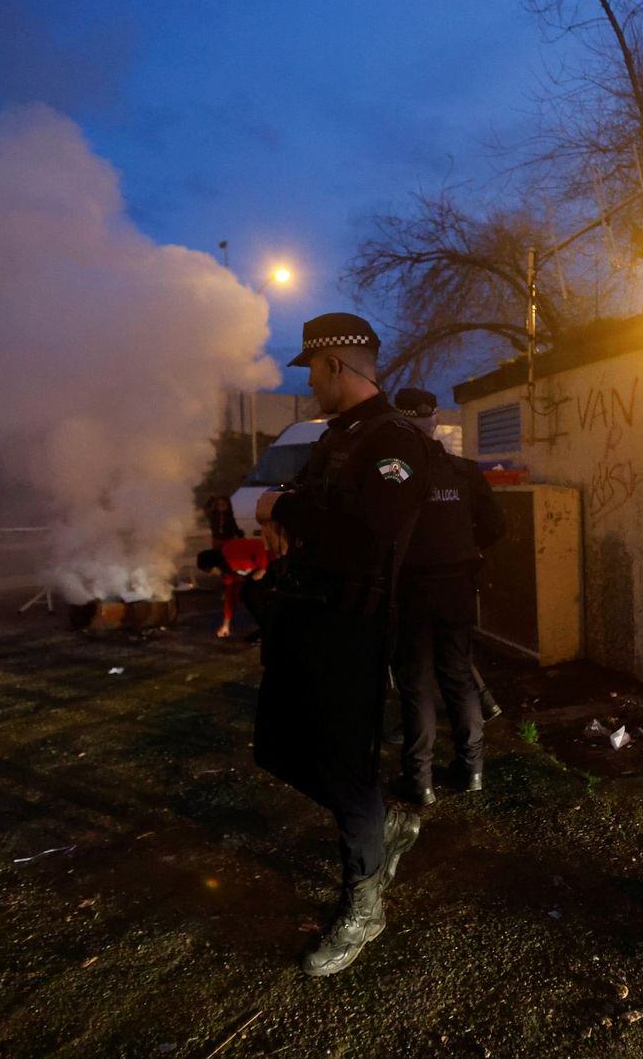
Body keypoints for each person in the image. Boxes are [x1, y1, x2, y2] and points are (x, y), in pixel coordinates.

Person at [250, 312, 429, 977]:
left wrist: (284, 512)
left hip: (351, 632)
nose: (311, 386)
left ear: (335, 367)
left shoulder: (396, 441)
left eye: (314, 373)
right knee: (274, 747)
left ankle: (364, 906)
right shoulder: (340, 439)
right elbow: (319, 510)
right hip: (304, 620)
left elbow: (368, 537)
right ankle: (383, 828)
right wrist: (286, 509)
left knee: (346, 774)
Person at [387, 387, 506, 806]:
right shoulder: (464, 471)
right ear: (434, 419)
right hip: (456, 587)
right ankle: (471, 770)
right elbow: (495, 527)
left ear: (399, 422)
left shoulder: (393, 473)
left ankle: (419, 780)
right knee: (458, 676)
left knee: (416, 684)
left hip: (410, 590)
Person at [195, 535, 269, 641]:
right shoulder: (228, 573)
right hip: (260, 575)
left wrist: (263, 567)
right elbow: (231, 596)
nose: (212, 574)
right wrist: (226, 624)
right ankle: (266, 627)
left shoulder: (230, 550)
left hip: (271, 564)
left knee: (251, 592)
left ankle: (270, 628)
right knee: (245, 594)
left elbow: (259, 544)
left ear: (214, 565)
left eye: (210, 571)